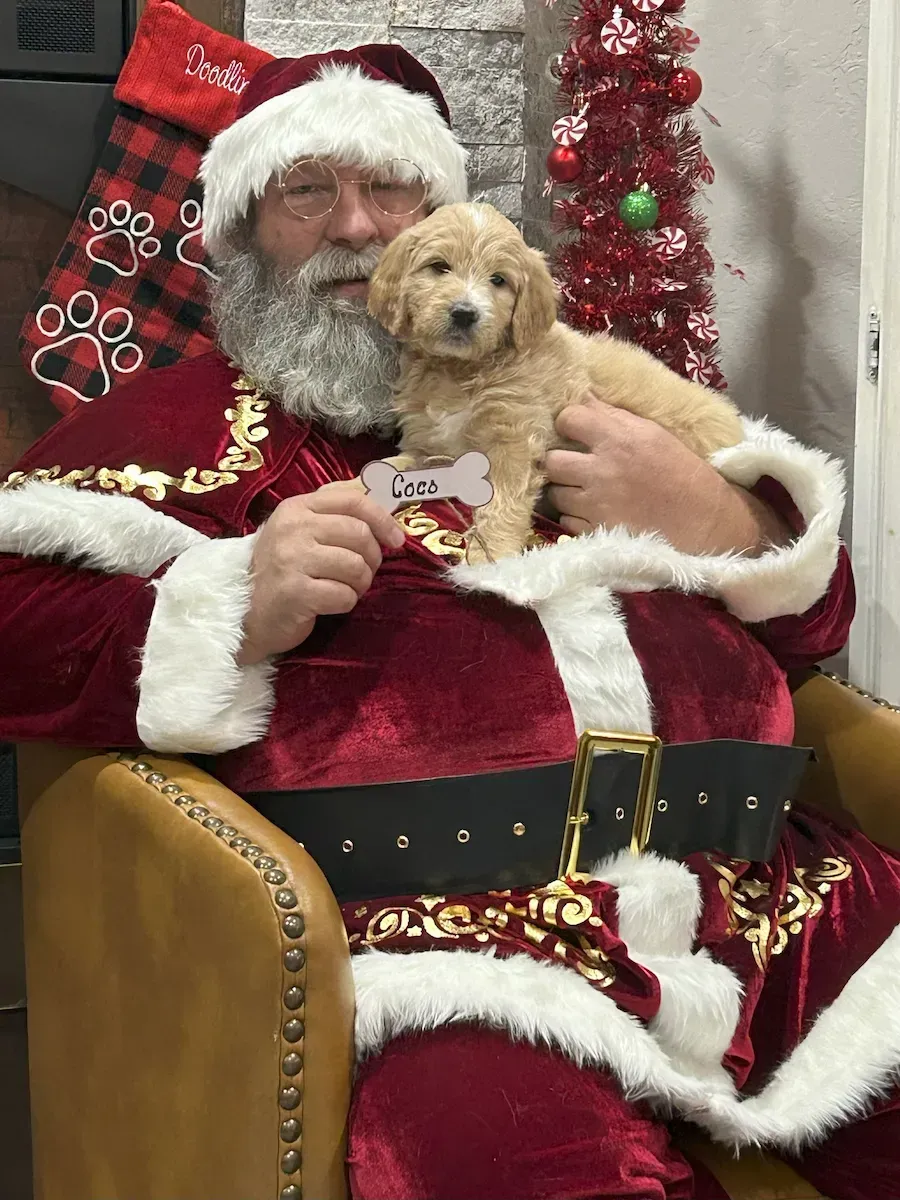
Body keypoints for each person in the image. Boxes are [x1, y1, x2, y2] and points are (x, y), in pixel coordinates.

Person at [0, 45, 896, 1200]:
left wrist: (716, 515)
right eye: (308, 192)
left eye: (390, 191)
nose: (356, 228)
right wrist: (228, 606)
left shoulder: (594, 390)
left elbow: (820, 625)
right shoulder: (185, 422)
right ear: (242, 230)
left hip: (768, 904)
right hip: (458, 954)